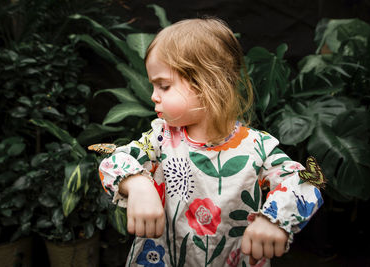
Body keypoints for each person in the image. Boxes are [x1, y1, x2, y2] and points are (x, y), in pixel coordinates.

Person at [98, 17, 324, 267]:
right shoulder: (161, 138)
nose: (154, 96)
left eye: (163, 86)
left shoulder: (256, 147)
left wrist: (275, 219)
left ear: (208, 84)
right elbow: (115, 162)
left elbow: (308, 180)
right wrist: (138, 183)